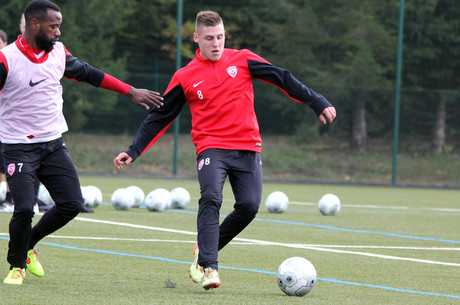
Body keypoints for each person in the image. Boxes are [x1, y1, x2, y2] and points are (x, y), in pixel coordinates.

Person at [114, 11, 336, 290]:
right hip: (211, 147)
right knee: (211, 198)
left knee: (249, 206)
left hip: (247, 146)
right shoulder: (184, 76)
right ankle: (210, 267)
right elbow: (160, 117)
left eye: (220, 37)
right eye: (209, 38)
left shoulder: (242, 59)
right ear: (197, 39)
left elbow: (282, 77)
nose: (216, 43)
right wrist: (133, 150)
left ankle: (205, 247)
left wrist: (316, 101)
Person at [1, 0, 163, 285]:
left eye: (59, 26)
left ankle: (28, 244)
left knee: (72, 203)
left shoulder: (59, 54)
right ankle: (16, 266)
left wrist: (130, 91)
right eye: (54, 26)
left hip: (52, 144)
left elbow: (90, 73)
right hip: (17, 147)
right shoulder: (6, 59)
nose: (59, 32)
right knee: (25, 208)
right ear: (35, 25)